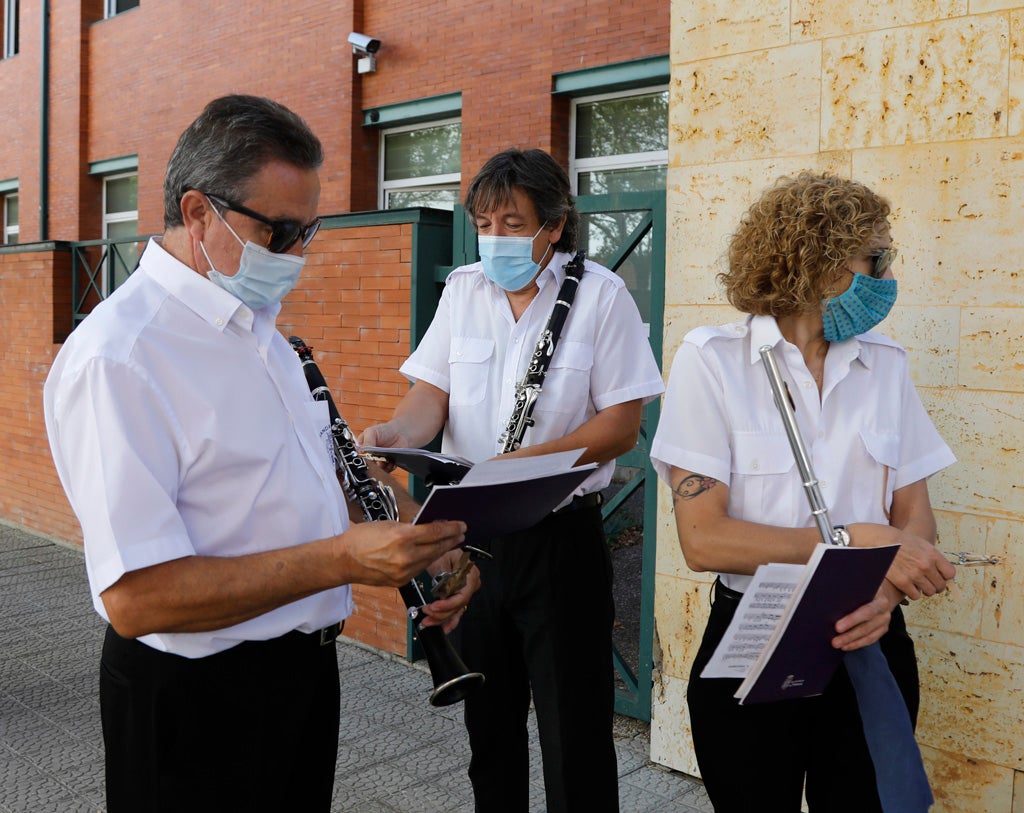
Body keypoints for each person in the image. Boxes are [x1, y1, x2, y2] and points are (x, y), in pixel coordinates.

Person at [42, 94, 476, 813]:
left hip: (300, 677)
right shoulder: (120, 356)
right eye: (276, 232)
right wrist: (342, 559)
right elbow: (136, 596)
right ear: (197, 212)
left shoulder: (262, 334)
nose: (294, 255)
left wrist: (422, 539)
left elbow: (305, 486)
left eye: (308, 231)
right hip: (193, 701)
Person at [361, 148, 664, 812]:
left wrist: (513, 467)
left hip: (560, 537)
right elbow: (429, 395)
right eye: (485, 221)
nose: (495, 236)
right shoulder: (464, 288)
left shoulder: (600, 295)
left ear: (554, 225)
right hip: (477, 539)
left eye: (512, 221)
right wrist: (397, 435)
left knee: (575, 735)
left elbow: (619, 424)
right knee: (489, 732)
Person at [650, 170, 957, 812]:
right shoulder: (713, 362)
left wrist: (885, 590)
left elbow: (914, 517)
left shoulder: (886, 365)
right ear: (819, 264)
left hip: (868, 630)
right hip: (755, 633)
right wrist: (849, 542)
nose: (887, 274)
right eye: (875, 257)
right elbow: (704, 539)